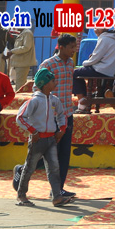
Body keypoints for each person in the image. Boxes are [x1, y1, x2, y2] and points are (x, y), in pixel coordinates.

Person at [13, 68, 72, 207]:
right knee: (29, 168)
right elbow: (20, 117)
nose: (55, 83)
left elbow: (62, 115)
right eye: (53, 81)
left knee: (54, 168)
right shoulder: (34, 101)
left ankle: (57, 197)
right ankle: (21, 195)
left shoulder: (54, 100)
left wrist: (62, 129)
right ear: (45, 84)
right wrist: (33, 131)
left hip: (51, 139)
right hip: (37, 140)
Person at [38, 34, 78, 198]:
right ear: (61, 47)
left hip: (67, 114)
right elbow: (37, 88)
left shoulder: (71, 64)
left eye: (75, 47)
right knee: (48, 154)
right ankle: (22, 171)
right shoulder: (48, 64)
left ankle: (58, 189)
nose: (74, 50)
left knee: (64, 154)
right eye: (71, 47)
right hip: (52, 116)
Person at [72, 27, 115, 112]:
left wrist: (85, 63)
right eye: (95, 28)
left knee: (75, 73)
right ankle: (84, 100)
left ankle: (82, 102)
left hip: (101, 69)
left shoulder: (104, 38)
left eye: (99, 28)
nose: (96, 30)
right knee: (81, 72)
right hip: (108, 69)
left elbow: (95, 58)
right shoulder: (111, 38)